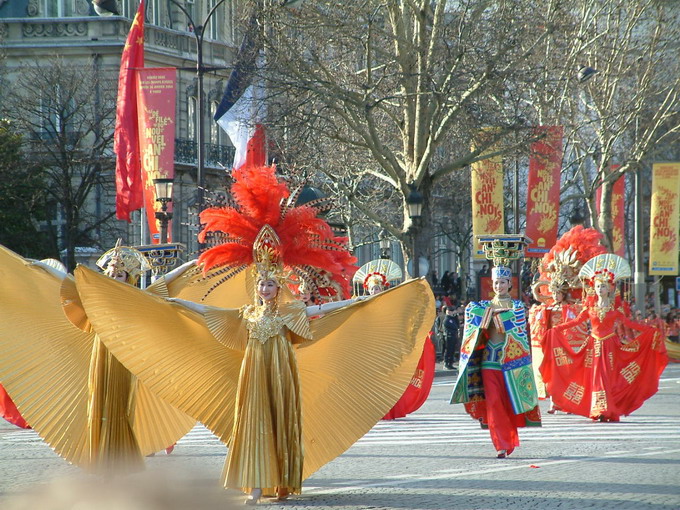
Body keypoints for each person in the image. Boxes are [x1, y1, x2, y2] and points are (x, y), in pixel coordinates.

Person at [73, 165, 435, 503]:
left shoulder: (291, 312)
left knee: (279, 422)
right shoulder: (245, 314)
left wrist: (361, 304)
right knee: (252, 424)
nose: (263, 287)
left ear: (278, 286)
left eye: (269, 283)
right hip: (252, 379)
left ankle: (279, 481)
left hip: (281, 378)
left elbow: (322, 310)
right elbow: (206, 312)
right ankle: (256, 484)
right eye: (260, 282)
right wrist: (179, 307)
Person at [0, 243, 195, 474]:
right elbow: (64, 281)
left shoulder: (135, 299)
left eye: (120, 274)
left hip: (124, 360)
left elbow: (163, 286)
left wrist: (188, 267)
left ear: (129, 278)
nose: (114, 277)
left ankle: (121, 457)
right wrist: (38, 267)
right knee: (96, 403)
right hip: (98, 358)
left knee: (121, 406)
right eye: (111, 273)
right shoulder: (91, 296)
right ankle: (100, 457)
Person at [541, 254, 668, 422]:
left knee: (608, 377)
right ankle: (598, 408)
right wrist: (555, 329)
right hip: (593, 346)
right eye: (599, 286)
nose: (601, 290)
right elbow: (576, 322)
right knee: (594, 376)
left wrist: (650, 331)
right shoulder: (590, 308)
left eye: (604, 287)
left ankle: (607, 407)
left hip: (610, 346)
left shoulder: (615, 311)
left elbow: (630, 324)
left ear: (609, 289)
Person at [451, 239, 540, 459]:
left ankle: (508, 439)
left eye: (502, 282)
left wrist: (497, 319)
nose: (499, 286)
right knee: (493, 403)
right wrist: (482, 318)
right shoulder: (482, 307)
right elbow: (473, 327)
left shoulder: (518, 307)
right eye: (496, 282)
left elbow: (518, 329)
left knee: (508, 403)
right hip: (489, 361)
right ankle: (500, 443)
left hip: (510, 364)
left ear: (509, 283)